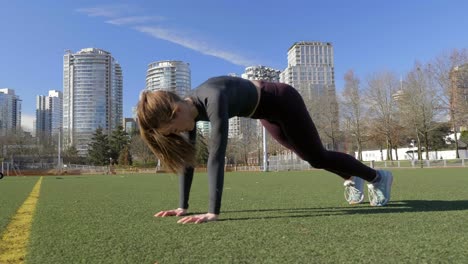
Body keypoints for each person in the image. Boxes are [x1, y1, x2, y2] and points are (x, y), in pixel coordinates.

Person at [137, 76, 393, 224]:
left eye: (171, 130)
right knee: (311, 158)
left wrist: (212, 212)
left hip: (282, 100)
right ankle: (351, 177)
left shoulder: (212, 99)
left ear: (176, 111)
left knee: (317, 157)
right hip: (264, 113)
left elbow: (217, 153)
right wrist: (183, 206)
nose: (176, 134)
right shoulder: (188, 112)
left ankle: (377, 177)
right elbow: (188, 161)